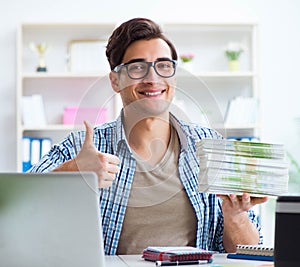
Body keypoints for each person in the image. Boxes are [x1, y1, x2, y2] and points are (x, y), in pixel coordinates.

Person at [30, 17, 268, 255]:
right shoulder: (82, 148)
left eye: (163, 65)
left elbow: (249, 253)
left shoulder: (210, 146)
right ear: (115, 80)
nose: (153, 78)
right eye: (137, 67)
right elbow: (14, 210)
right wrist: (74, 172)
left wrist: (235, 215)